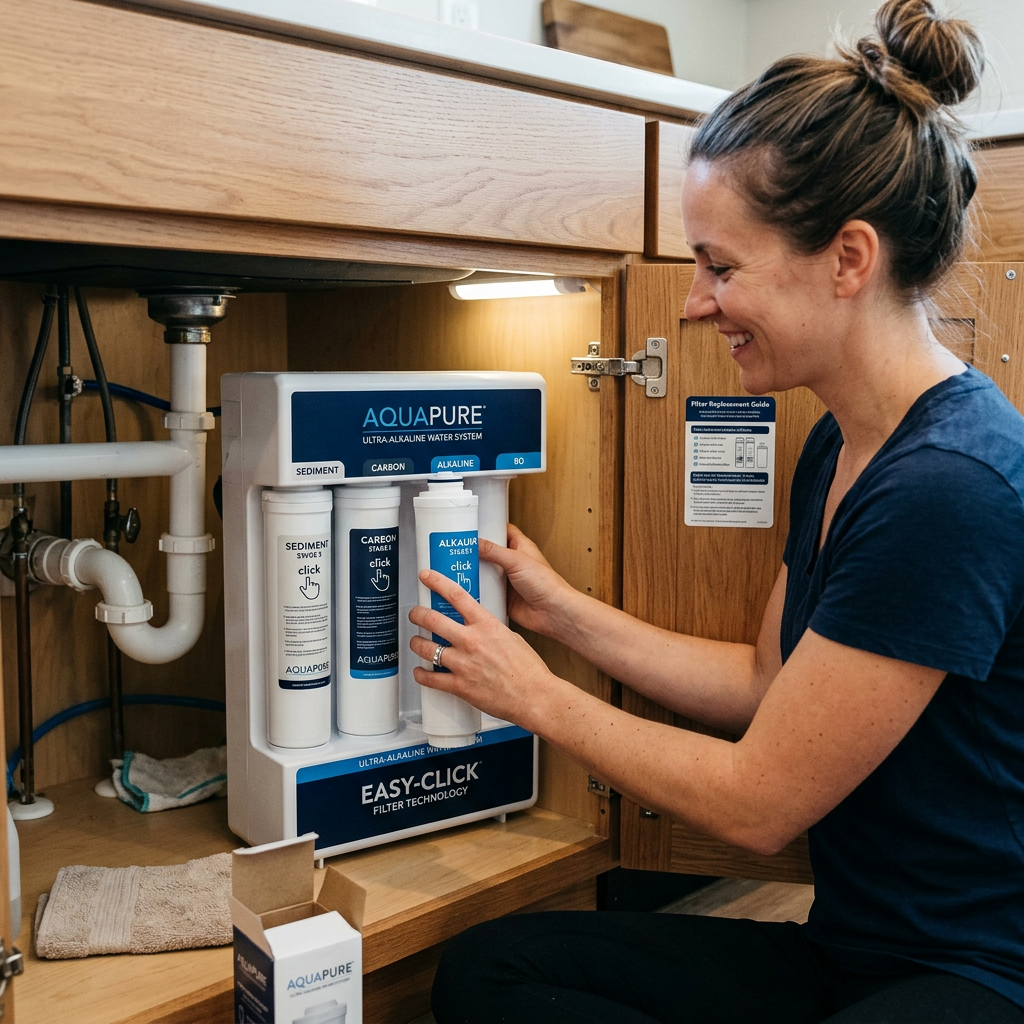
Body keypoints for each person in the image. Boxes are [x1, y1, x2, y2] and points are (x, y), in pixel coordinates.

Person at [415, 1, 1024, 1021]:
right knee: (491, 971)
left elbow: (759, 801)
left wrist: (538, 697)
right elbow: (762, 684)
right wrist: (558, 612)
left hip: (973, 977)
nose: (694, 301)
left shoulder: (949, 485)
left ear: (847, 259)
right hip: (852, 951)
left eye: (721, 265)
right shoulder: (843, 443)